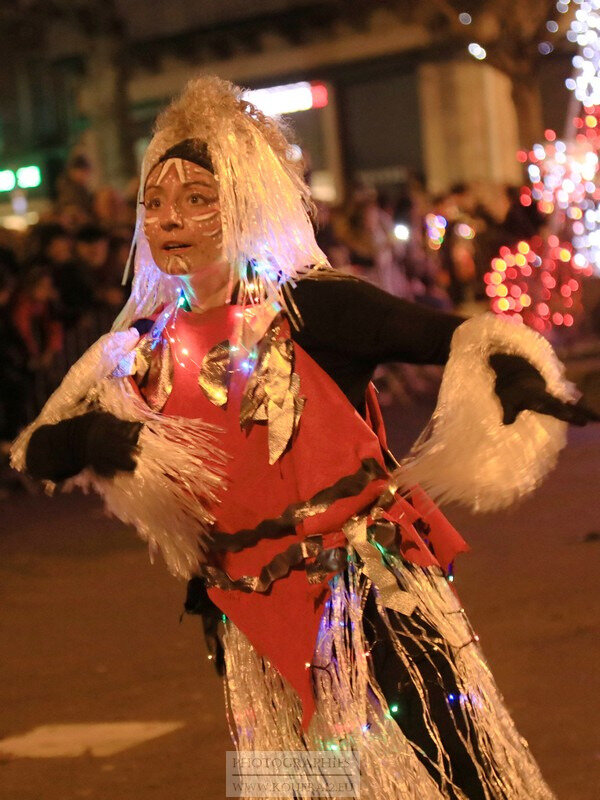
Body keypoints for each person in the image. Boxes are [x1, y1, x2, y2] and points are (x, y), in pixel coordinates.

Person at [12, 77, 599, 800]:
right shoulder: (138, 349)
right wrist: (100, 439)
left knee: (453, 771)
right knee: (299, 787)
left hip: (365, 590)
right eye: (155, 202)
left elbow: (443, 335)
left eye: (198, 198)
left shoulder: (310, 306)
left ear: (246, 201)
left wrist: (509, 366)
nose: (171, 219)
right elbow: (40, 448)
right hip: (244, 610)